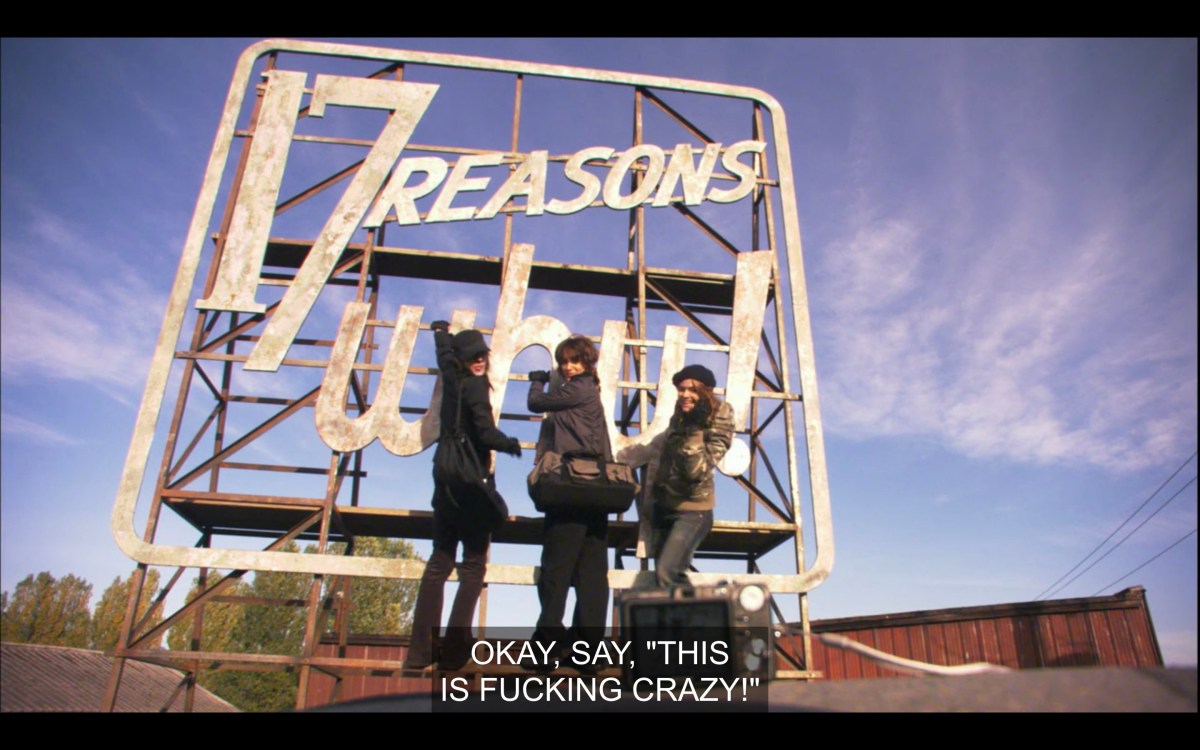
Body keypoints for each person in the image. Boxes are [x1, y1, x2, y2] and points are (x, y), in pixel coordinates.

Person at [404, 321, 522, 671]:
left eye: (482, 355)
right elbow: (485, 431)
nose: (480, 361)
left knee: (439, 564)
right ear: (465, 359)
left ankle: (418, 654)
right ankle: (454, 653)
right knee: (472, 567)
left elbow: (444, 356)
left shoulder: (452, 376)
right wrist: (510, 445)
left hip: (444, 480)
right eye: (474, 356)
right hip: (470, 484)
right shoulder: (475, 387)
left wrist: (440, 333)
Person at [526, 336, 611, 666]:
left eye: (574, 360)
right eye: (564, 361)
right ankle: (588, 652)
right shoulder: (591, 392)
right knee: (591, 575)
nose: (567, 367)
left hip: (571, 488)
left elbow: (536, 403)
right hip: (595, 493)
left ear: (588, 363)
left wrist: (536, 381)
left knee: (556, 572)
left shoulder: (577, 389)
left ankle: (546, 650)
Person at [644, 364, 734, 587]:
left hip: (693, 512)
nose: (685, 395)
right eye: (681, 389)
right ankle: (676, 620)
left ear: (707, 391)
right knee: (663, 582)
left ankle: (703, 618)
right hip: (664, 507)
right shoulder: (680, 416)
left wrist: (694, 431)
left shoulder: (719, 417)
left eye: (692, 390)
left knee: (668, 573)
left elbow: (697, 471)